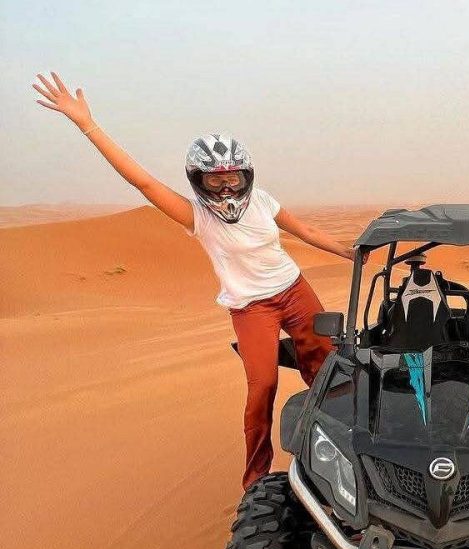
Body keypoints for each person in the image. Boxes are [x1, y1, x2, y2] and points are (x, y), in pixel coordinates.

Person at [33, 72, 357, 489]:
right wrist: (88, 125)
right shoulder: (198, 216)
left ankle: (337, 458)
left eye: (233, 178)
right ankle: (256, 481)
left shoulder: (260, 200)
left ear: (246, 176)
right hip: (251, 306)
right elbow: (143, 181)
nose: (226, 187)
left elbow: (305, 231)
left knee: (327, 370)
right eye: (215, 179)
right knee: (262, 388)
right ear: (197, 180)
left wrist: (350, 253)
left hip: (295, 291)